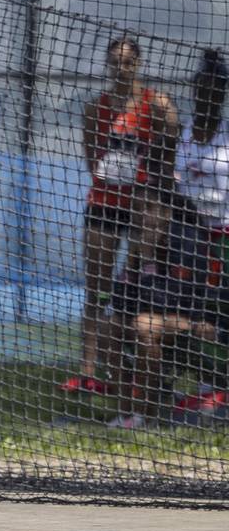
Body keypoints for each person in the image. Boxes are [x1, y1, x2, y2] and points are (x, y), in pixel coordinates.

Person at [61, 36, 179, 394]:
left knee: (141, 286)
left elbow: (173, 138)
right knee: (96, 289)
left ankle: (142, 370)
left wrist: (153, 167)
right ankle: (89, 371)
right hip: (104, 203)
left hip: (143, 206)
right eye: (115, 61)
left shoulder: (155, 103)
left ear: (138, 64)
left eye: (127, 61)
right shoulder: (96, 107)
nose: (121, 68)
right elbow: (90, 157)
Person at [106, 194, 219, 428]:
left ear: (166, 213)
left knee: (143, 325)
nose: (142, 214)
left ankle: (147, 415)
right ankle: (126, 413)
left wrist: (147, 259)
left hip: (194, 319)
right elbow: (119, 298)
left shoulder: (186, 242)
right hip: (151, 315)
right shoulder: (140, 242)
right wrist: (135, 262)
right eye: (138, 209)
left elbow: (172, 298)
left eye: (148, 207)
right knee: (109, 326)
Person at [173, 48, 229, 412]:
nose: (208, 95)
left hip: (224, 235)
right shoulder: (183, 133)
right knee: (191, 311)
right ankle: (201, 383)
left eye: (216, 88)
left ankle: (220, 384)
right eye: (202, 87)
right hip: (189, 236)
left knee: (221, 311)